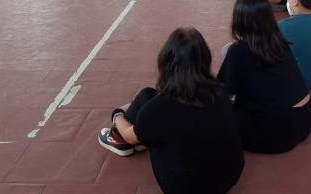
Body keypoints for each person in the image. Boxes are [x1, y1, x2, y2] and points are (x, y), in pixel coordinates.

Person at [98, 28, 244, 194]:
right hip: (228, 179)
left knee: (148, 115)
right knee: (148, 95)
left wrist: (117, 114)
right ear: (204, 58)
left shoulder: (160, 107)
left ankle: (117, 136)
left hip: (184, 189)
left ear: (166, 62)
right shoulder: (220, 91)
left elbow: (130, 137)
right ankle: (139, 128)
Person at [219, 0, 311, 153]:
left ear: (239, 21)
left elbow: (222, 92)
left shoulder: (239, 50)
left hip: (275, 134)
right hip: (305, 118)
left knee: (220, 116)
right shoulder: (280, 41)